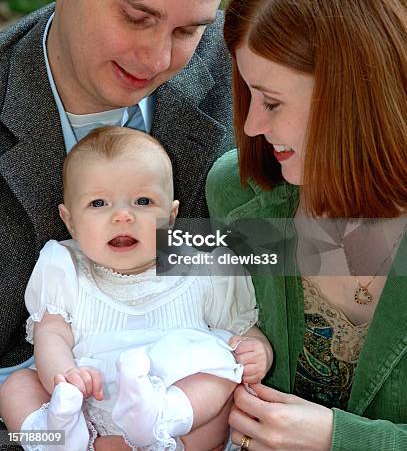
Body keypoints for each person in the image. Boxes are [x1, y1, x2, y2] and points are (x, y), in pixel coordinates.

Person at [0, 0, 235, 435]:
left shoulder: (248, 74)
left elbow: (302, 251)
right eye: (136, 17)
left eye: (188, 30)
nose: (159, 60)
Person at [206, 0, 407, 450]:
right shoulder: (236, 193)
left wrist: (342, 440)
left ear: (357, 101)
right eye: (248, 92)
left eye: (272, 102)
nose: (250, 125)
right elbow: (156, 291)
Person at [0, 126, 273, 451]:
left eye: (143, 201)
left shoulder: (205, 271)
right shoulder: (65, 268)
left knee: (223, 373)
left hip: (177, 417)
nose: (122, 217)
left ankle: (161, 420)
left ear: (171, 216)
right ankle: (53, 437)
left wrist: (259, 352)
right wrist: (66, 377)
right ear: (70, 221)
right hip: (86, 401)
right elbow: (51, 335)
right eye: (99, 203)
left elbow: (243, 331)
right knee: (16, 385)